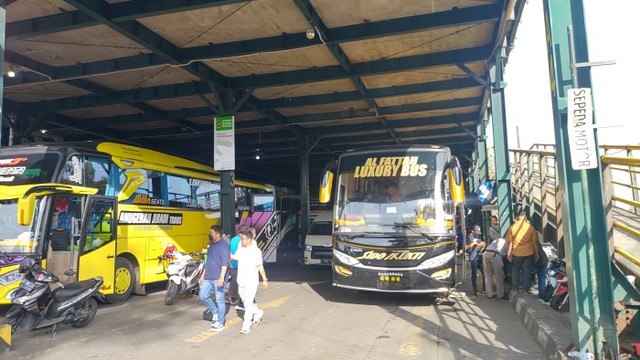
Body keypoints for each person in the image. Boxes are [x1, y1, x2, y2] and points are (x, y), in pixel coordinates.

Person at [232, 228, 269, 334]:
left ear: (249, 239)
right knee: (245, 302)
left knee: (247, 304)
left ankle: (246, 325)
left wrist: (265, 279)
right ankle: (258, 312)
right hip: (241, 280)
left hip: (252, 281)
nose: (241, 241)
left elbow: (260, 266)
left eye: (243, 239)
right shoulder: (241, 249)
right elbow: (235, 257)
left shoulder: (256, 251)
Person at [198, 225, 230, 332]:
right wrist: (202, 275)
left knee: (220, 299)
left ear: (217, 234)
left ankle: (220, 322)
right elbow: (208, 262)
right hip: (208, 277)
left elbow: (225, 263)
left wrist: (221, 278)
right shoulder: (212, 246)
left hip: (218, 278)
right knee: (203, 295)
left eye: (211, 233)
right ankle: (215, 311)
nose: (210, 235)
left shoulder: (224, 246)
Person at [506, 210, 539, 295]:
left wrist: (509, 253)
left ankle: (515, 288)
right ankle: (525, 289)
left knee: (515, 270)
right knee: (527, 271)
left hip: (516, 253)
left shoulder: (512, 228)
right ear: (525, 218)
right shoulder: (530, 228)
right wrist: (536, 253)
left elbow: (509, 242)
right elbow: (534, 242)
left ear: (516, 218)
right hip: (528, 252)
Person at [227, 224, 248, 307]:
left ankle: (232, 297)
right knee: (243, 282)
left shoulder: (233, 240)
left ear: (238, 230)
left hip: (234, 264)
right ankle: (241, 299)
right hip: (244, 264)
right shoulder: (246, 240)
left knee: (234, 281)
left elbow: (231, 252)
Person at [465, 224, 485, 296]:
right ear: (472, 231)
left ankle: (484, 289)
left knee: (484, 273)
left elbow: (482, 244)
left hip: (479, 257)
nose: (477, 234)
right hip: (473, 258)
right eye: (476, 232)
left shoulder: (478, 237)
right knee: (474, 275)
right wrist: (473, 244)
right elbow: (465, 247)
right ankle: (475, 290)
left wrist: (482, 245)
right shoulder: (468, 237)